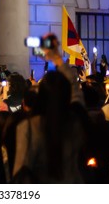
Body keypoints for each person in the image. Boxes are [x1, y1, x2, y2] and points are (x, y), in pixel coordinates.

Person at [13, 33, 87, 183]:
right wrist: (57, 58)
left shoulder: (28, 127)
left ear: (41, 96)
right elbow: (76, 93)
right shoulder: (77, 121)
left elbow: (21, 173)